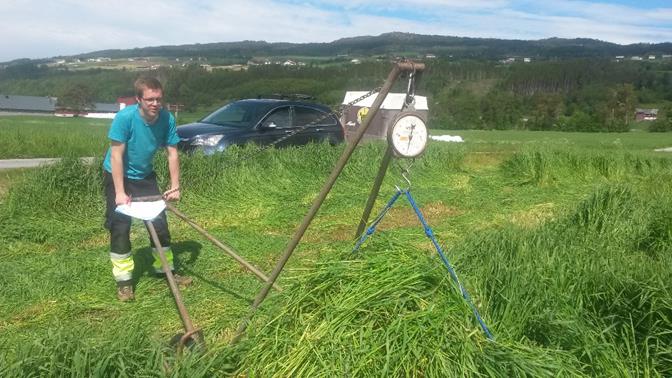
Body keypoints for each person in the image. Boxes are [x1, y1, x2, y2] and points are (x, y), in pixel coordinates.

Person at [102, 76, 191, 302]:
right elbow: (116, 156)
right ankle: (124, 282)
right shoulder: (125, 118)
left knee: (159, 223)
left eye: (158, 99)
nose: (155, 104)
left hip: (144, 176)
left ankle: (165, 270)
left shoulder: (167, 119)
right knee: (120, 226)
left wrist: (174, 186)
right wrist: (120, 192)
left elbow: (172, 153)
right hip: (117, 175)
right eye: (150, 99)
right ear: (139, 99)